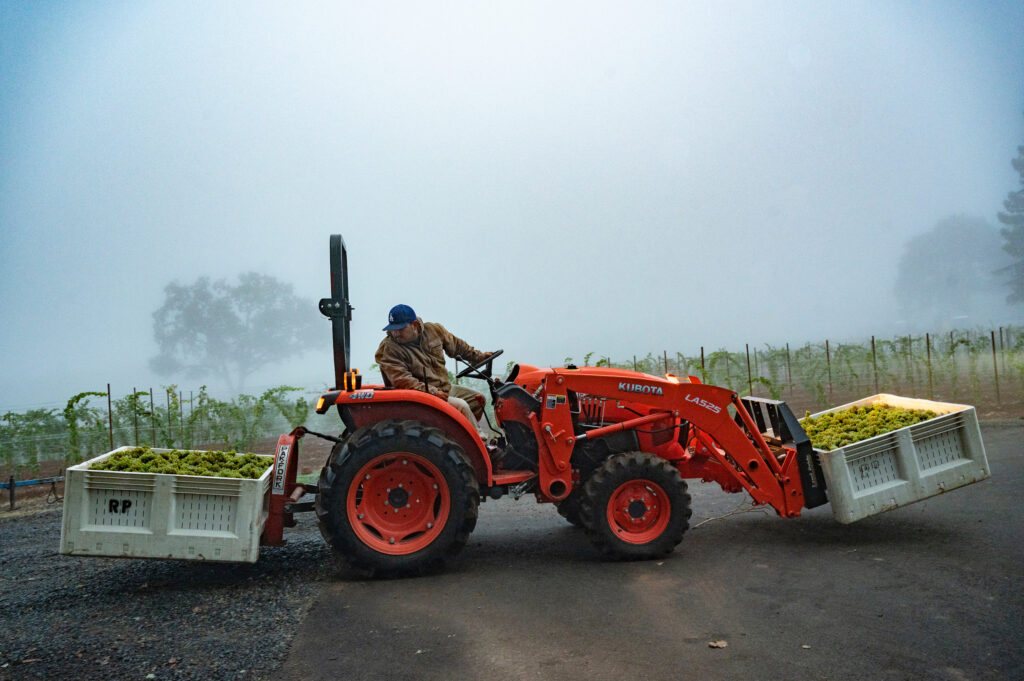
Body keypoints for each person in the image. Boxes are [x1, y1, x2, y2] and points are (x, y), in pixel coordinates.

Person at [375, 304, 493, 435]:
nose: (396, 333)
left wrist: (479, 357)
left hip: (445, 389)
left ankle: (459, 436)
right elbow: (403, 380)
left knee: (477, 400)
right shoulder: (389, 349)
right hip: (420, 398)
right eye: (393, 329)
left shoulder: (434, 331)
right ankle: (479, 444)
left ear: (414, 325)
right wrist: (433, 392)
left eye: (400, 329)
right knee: (462, 406)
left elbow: (458, 347)